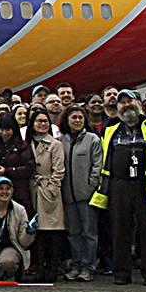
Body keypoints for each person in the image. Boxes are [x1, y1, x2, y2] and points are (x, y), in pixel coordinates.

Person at [90, 90, 146, 286]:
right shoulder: (111, 129)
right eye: (122, 103)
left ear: (139, 104)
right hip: (119, 186)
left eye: (130, 101)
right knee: (120, 231)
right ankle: (121, 273)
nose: (126, 105)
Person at [59, 106, 102, 282]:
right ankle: (75, 265)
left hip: (87, 196)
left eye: (80, 117)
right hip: (68, 196)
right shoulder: (62, 140)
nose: (77, 121)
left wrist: (90, 187)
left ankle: (88, 267)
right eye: (74, 117)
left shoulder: (93, 139)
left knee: (89, 233)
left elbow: (97, 166)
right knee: (73, 233)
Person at [25, 108, 66, 280]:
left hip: (48, 190)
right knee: (37, 232)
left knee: (52, 231)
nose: (43, 124)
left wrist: (52, 189)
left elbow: (59, 170)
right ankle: (38, 268)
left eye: (45, 121)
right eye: (39, 121)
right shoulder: (27, 143)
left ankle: (52, 268)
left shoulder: (55, 144)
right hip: (32, 188)